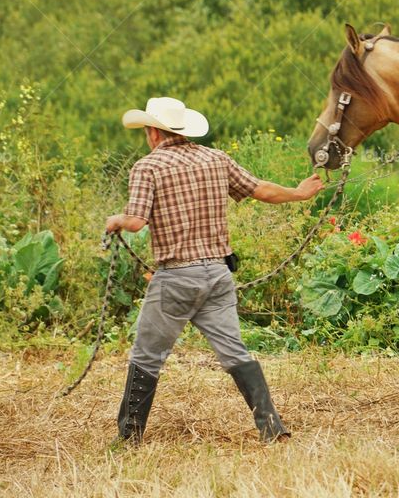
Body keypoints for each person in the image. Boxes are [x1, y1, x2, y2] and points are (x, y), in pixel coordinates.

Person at [105, 96, 324, 444]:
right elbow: (261, 190)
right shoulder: (215, 159)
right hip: (218, 277)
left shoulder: (147, 167)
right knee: (235, 352)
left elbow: (134, 222)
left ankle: (129, 437)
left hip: (175, 278)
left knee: (147, 356)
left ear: (152, 132)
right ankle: (271, 428)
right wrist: (299, 193)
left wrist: (114, 220)